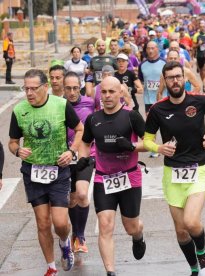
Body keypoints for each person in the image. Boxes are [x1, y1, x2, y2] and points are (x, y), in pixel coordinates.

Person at [143, 61, 205, 276]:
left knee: (191, 221)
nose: (175, 81)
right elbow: (147, 139)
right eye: (170, 78)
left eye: (178, 76)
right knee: (181, 232)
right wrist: (158, 147)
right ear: (165, 81)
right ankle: (194, 268)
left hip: (198, 169)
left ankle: (203, 255)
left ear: (184, 79)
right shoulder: (158, 109)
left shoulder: (201, 101)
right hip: (173, 174)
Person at [8, 69, 84, 276]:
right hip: (33, 171)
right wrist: (17, 150)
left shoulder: (61, 105)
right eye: (26, 88)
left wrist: (71, 151)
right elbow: (12, 142)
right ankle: (51, 267)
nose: (29, 93)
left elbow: (79, 129)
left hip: (58, 169)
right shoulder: (19, 110)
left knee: (60, 223)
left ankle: (64, 241)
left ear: (45, 87)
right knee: (42, 222)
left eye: (34, 88)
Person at [78, 76, 147, 276]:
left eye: (111, 92)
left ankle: (138, 235)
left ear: (120, 93)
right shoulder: (93, 119)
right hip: (103, 178)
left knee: (131, 226)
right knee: (105, 225)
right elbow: (85, 142)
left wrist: (133, 146)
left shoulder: (131, 116)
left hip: (129, 177)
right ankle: (110, 272)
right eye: (104, 92)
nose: (107, 96)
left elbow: (150, 143)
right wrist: (83, 159)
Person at [64, 72, 95, 254]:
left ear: (81, 86)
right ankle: (75, 234)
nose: (72, 92)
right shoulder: (59, 105)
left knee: (82, 195)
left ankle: (81, 236)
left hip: (86, 156)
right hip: (67, 158)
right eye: (68, 88)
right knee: (71, 198)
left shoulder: (90, 103)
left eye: (76, 88)